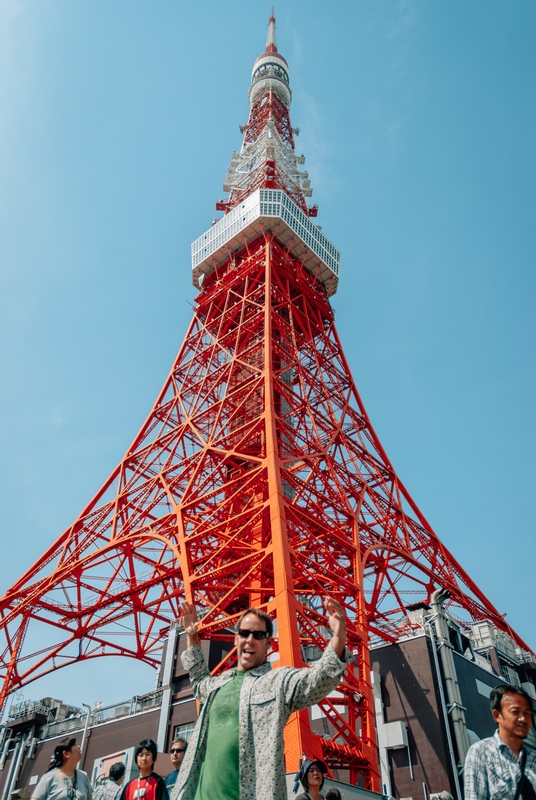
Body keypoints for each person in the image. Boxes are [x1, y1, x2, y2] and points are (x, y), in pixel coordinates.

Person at [172, 597, 352, 800]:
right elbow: (198, 681)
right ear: (236, 638)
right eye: (244, 633)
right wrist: (192, 637)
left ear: (268, 643)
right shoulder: (217, 685)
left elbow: (317, 681)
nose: (250, 639)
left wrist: (338, 637)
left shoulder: (278, 681)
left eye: (258, 635)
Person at [464, 683, 536, 799]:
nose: (523, 719)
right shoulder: (481, 752)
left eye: (527, 713)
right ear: (497, 715)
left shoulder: (533, 757)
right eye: (515, 712)